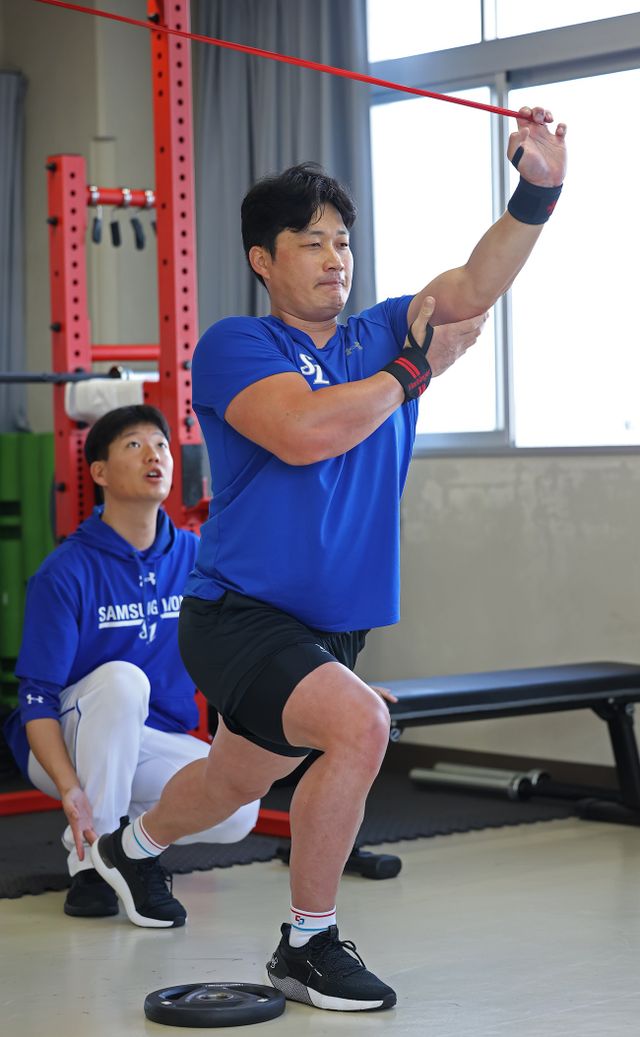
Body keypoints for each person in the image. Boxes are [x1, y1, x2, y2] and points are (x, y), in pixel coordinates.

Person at [91, 107, 567, 1009]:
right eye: (311, 242)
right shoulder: (237, 345)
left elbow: (475, 284)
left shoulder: (379, 331)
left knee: (236, 779)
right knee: (359, 726)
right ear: (263, 260)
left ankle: (131, 847)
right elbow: (306, 432)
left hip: (331, 626)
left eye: (342, 241)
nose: (334, 257)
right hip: (238, 613)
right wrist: (414, 373)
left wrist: (538, 190)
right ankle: (307, 943)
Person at [2, 405, 260, 921]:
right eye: (135, 445)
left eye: (161, 445)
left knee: (238, 806)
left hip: (145, 738)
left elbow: (255, 636)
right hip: (63, 742)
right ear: (99, 472)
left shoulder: (198, 558)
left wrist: (336, 680)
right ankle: (90, 866)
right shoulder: (65, 571)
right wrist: (70, 789)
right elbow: (37, 700)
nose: (154, 455)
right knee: (123, 681)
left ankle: (125, 846)